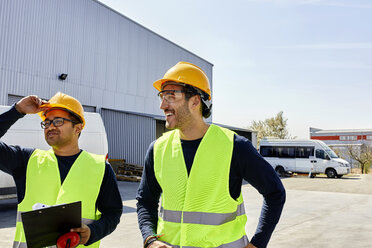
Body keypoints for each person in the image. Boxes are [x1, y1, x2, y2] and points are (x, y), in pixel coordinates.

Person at [136, 62, 286, 248]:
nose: (162, 105)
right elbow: (145, 201)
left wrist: (257, 244)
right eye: (162, 96)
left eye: (170, 96)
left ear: (195, 101)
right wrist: (149, 239)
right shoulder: (157, 149)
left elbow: (275, 193)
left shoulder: (235, 147)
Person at [0, 92, 123, 248]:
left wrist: (93, 231)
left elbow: (112, 213)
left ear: (77, 128)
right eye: (47, 122)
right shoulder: (26, 161)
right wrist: (17, 110)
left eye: (58, 121)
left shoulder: (100, 168)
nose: (50, 126)